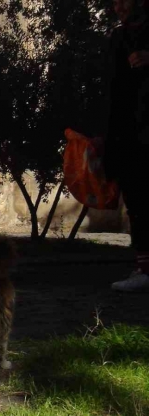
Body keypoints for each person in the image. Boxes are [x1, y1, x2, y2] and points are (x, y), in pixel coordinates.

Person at [104, 0, 149, 292]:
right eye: (115, 1)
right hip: (130, 132)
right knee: (137, 200)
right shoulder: (118, 37)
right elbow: (112, 88)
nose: (119, 7)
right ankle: (144, 268)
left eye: (124, 0)